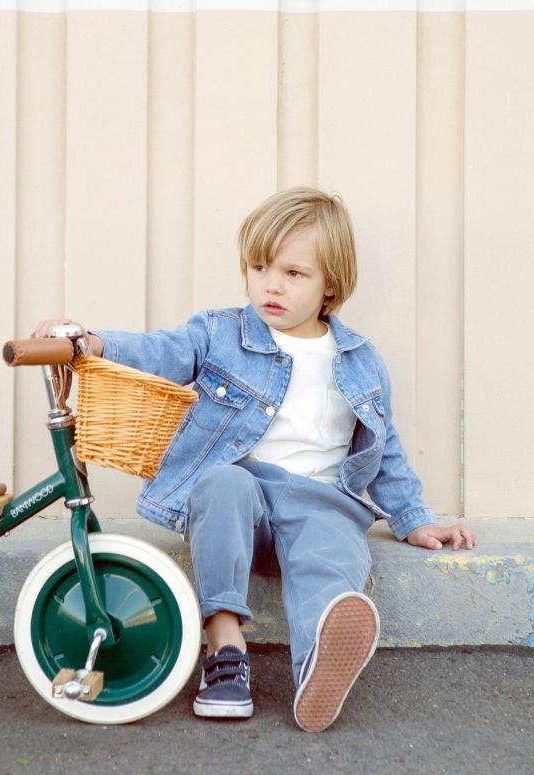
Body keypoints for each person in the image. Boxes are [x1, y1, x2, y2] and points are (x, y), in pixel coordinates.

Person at [34, 186, 476, 732]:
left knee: (329, 557)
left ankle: (319, 658)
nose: (272, 284)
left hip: (322, 504)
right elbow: (161, 351)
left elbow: (385, 450)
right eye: (260, 267)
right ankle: (225, 652)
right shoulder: (220, 333)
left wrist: (413, 519)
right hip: (245, 499)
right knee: (220, 482)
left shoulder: (359, 360)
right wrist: (93, 342)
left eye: (294, 274)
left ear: (329, 285)